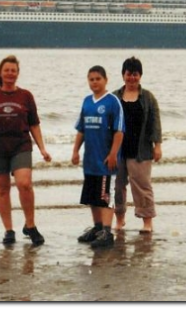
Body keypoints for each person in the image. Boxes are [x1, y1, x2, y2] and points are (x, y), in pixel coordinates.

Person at [0, 55, 52, 246]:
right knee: (2, 189)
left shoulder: (26, 96)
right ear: (0, 73)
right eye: (6, 70)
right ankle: (9, 230)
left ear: (18, 73)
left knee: (24, 183)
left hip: (20, 146)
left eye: (13, 70)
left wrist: (42, 149)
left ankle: (30, 225)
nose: (10, 73)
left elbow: (34, 124)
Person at [72, 66, 125, 249]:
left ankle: (107, 232)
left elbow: (119, 131)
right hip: (90, 160)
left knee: (104, 196)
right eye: (91, 79)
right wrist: (75, 151)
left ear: (105, 80)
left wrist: (113, 154)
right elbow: (81, 130)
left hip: (106, 161)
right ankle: (97, 227)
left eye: (98, 79)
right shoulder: (87, 102)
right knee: (92, 196)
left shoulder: (112, 102)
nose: (94, 82)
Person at [113, 57, 162, 234]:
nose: (131, 78)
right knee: (118, 186)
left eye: (135, 74)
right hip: (118, 150)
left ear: (140, 76)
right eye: (128, 74)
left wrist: (157, 145)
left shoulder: (148, 97)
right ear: (123, 75)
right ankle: (119, 220)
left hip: (141, 150)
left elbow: (155, 123)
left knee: (142, 186)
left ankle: (147, 222)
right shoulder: (114, 97)